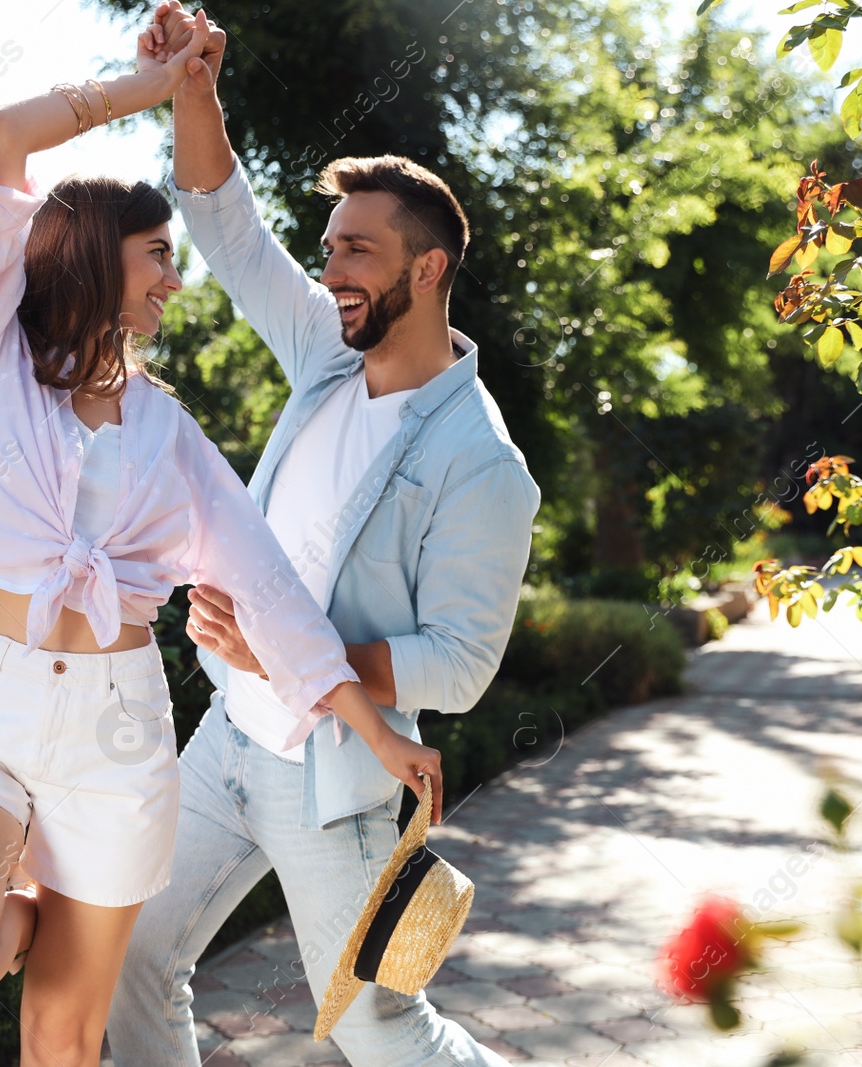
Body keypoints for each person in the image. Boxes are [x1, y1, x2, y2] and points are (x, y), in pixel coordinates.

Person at [0, 13, 442, 1067]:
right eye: (155, 258)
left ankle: (79, 906)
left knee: (62, 1035)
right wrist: (148, 87)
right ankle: (49, 904)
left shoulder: (167, 433)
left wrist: (373, 728)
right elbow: (0, 137)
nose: (173, 281)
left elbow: (267, 588)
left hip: (117, 740)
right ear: (97, 258)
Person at [106, 5, 540, 1066]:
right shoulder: (328, 361)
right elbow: (226, 228)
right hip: (228, 740)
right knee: (128, 951)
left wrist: (293, 655)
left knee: (381, 1027)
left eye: (357, 250)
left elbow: (464, 662)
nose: (332, 268)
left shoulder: (482, 461)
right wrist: (195, 85)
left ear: (427, 268)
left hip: (331, 779)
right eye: (330, 248)